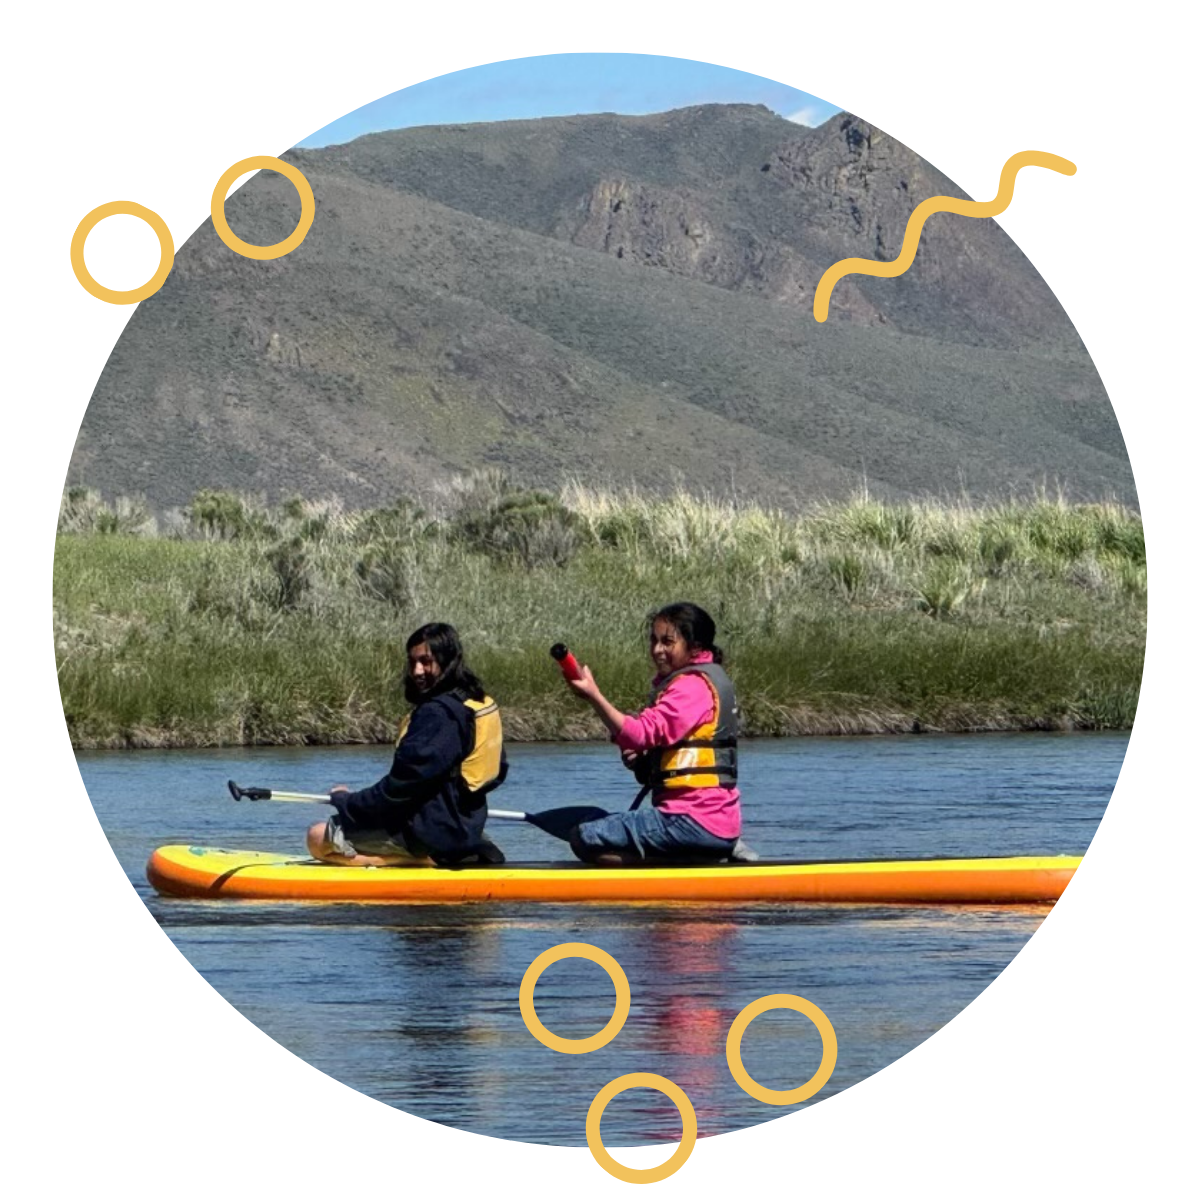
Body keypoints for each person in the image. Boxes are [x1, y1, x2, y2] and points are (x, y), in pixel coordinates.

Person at [564, 602, 754, 865]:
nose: (657, 650)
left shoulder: (692, 686)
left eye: (667, 642)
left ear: (695, 647)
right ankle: (704, 853)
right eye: (654, 640)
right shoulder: (697, 682)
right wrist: (642, 762)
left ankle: (680, 863)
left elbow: (640, 733)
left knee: (584, 837)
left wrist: (593, 696)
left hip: (690, 821)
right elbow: (648, 749)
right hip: (706, 821)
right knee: (592, 829)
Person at [307, 623, 508, 867]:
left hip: (430, 834)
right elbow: (498, 772)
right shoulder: (475, 704)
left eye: (426, 661)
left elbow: (400, 789)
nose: (417, 671)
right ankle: (454, 851)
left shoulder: (438, 715)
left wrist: (346, 802)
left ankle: (416, 861)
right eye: (412, 662)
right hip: (466, 828)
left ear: (448, 661)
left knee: (317, 836)